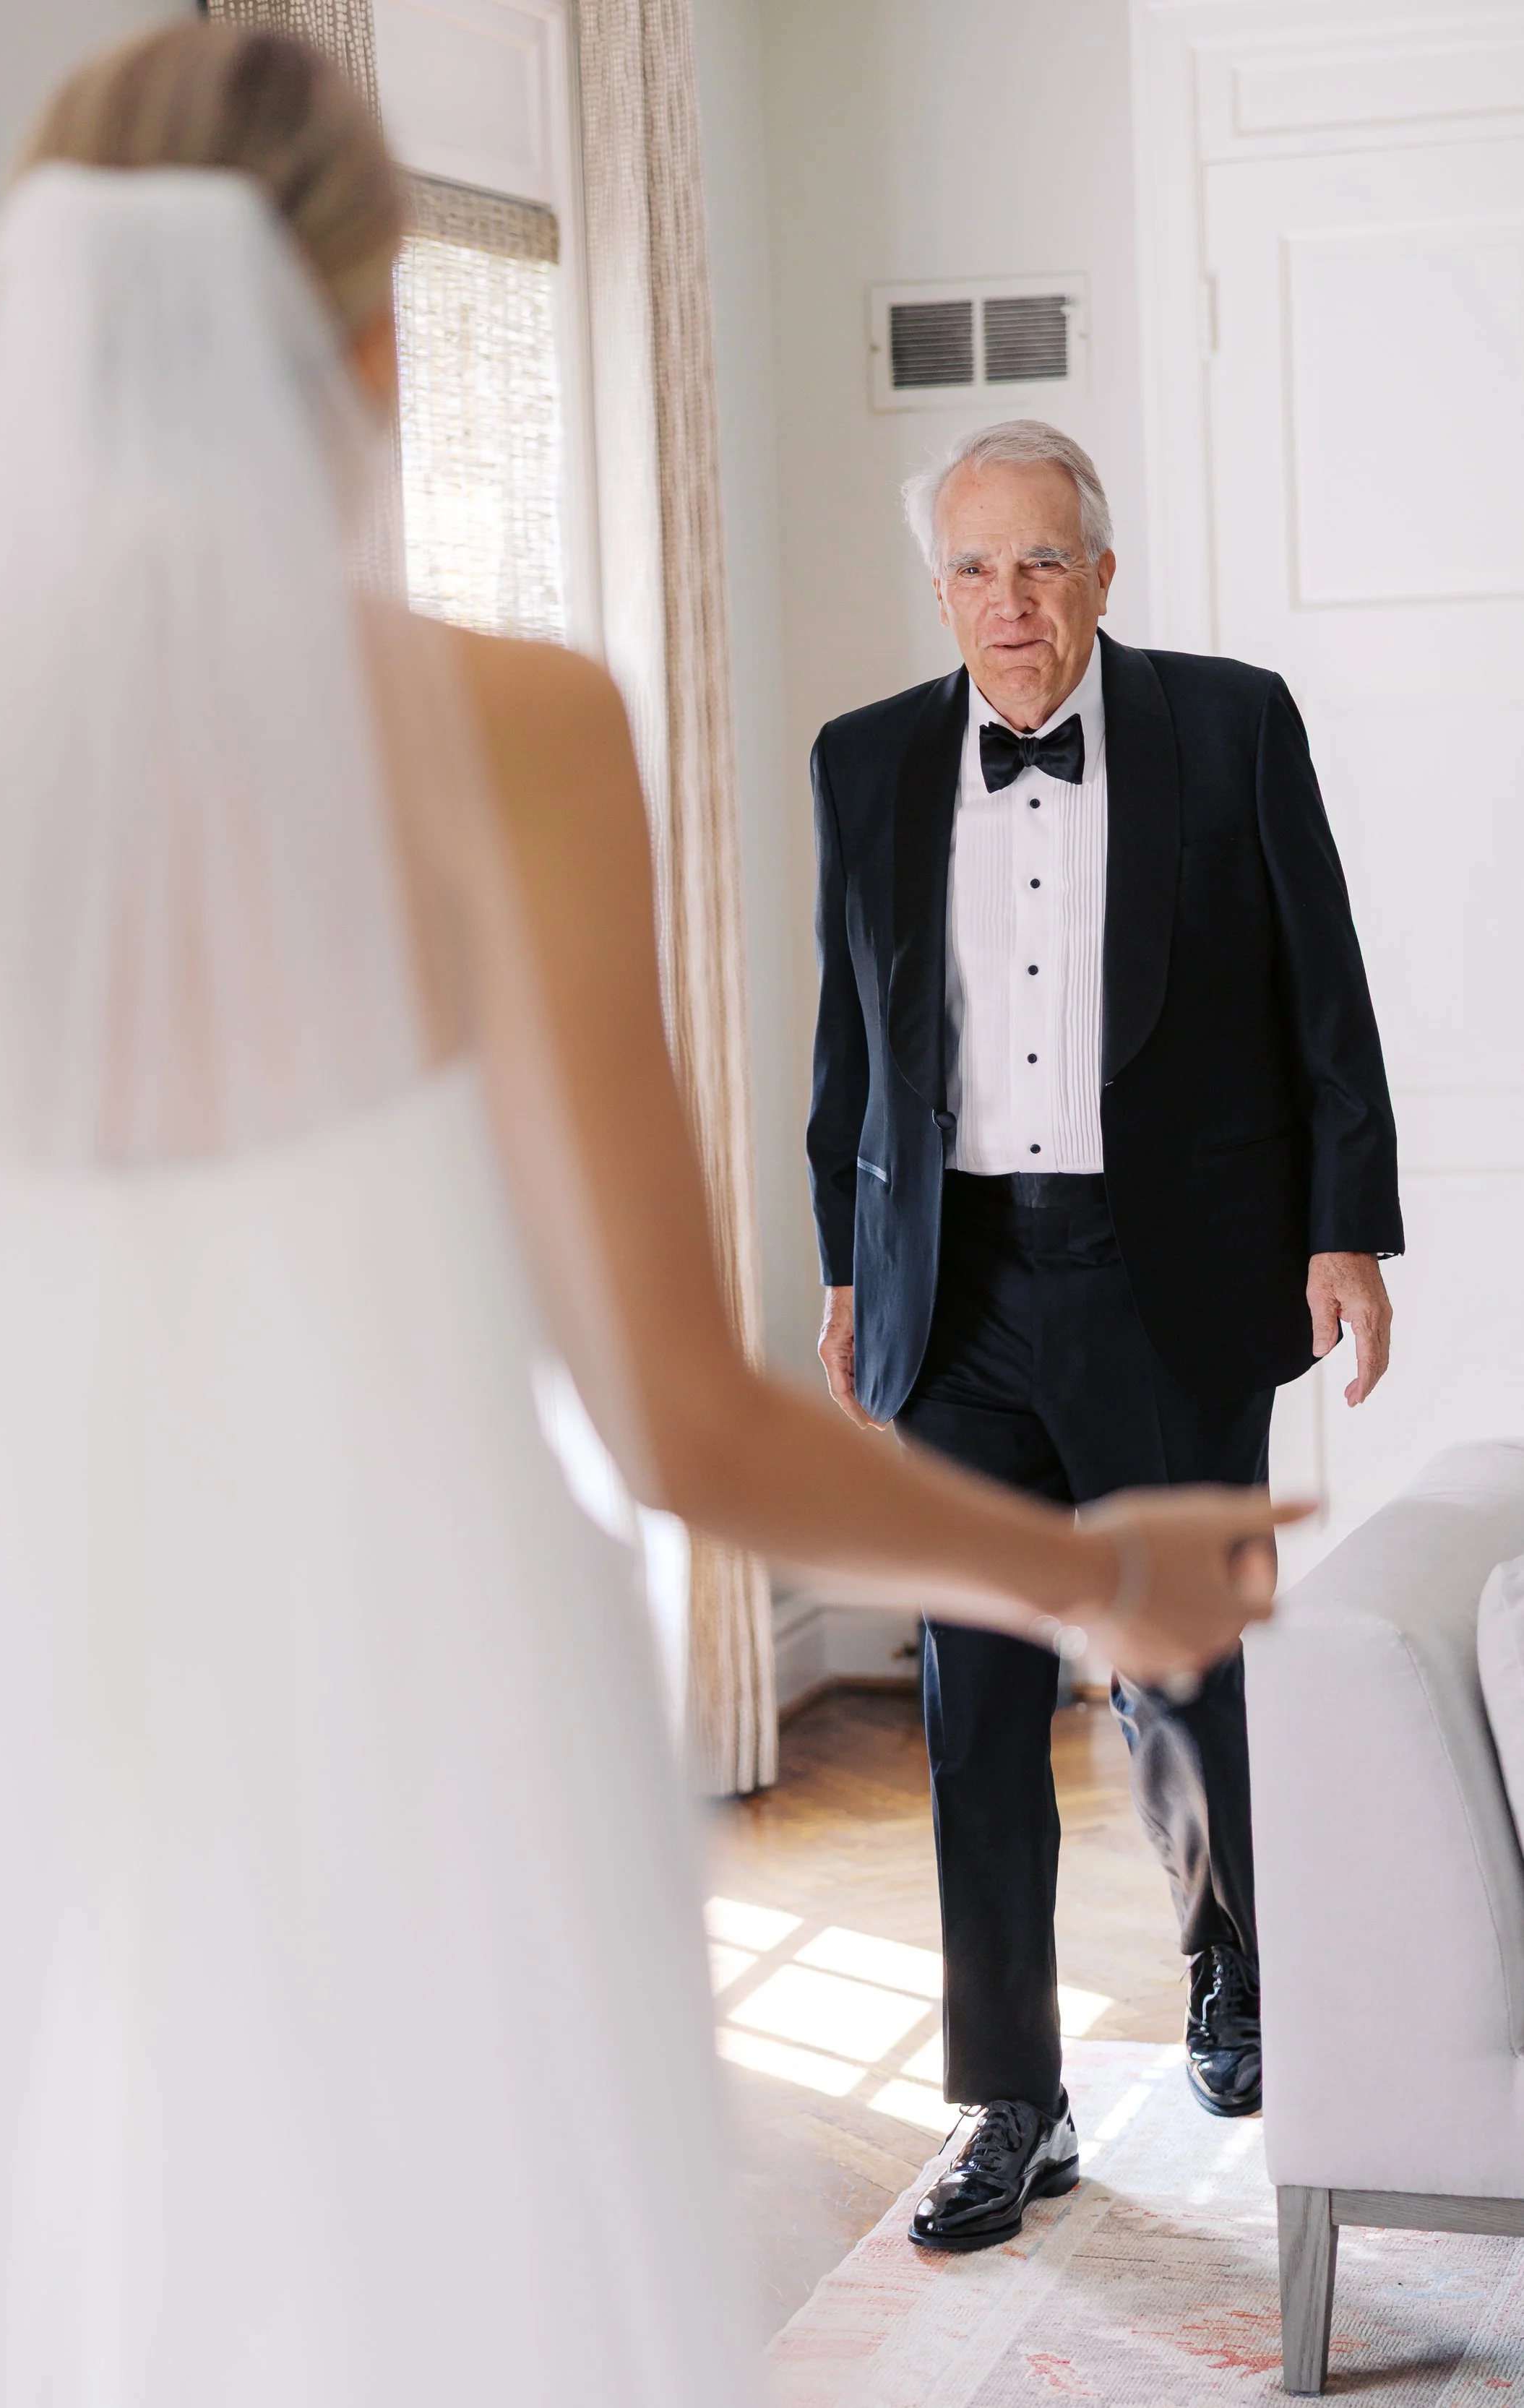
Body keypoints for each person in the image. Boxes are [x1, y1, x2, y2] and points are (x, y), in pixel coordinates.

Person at [0, 35, 1291, 2402]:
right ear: (367, 341)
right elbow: (675, 1421)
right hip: (405, 1758)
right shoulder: (508, 738)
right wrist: (1094, 1575)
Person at [809, 418, 1401, 2251]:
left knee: (1183, 1667)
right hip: (958, 1285)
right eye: (976, 569)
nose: (1010, 601)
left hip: (1179, 1276)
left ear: (1101, 570)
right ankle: (1008, 2099)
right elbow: (855, 1033)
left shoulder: (1228, 725)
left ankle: (1228, 1970)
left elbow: (1324, 982)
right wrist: (848, 1258)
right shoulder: (868, 761)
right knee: (970, 1702)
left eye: (1042, 561)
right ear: (938, 588)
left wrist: (1344, 1229)